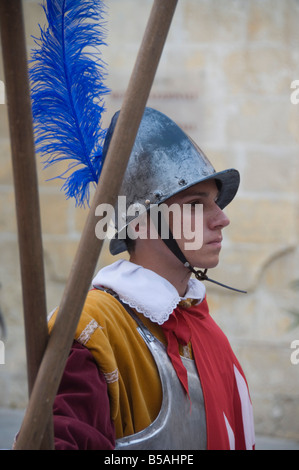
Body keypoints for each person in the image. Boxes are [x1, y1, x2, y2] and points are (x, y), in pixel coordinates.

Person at [49, 107, 255, 450]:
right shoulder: (90, 326)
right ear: (143, 222)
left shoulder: (201, 326)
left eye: (215, 202)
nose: (221, 219)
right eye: (195, 204)